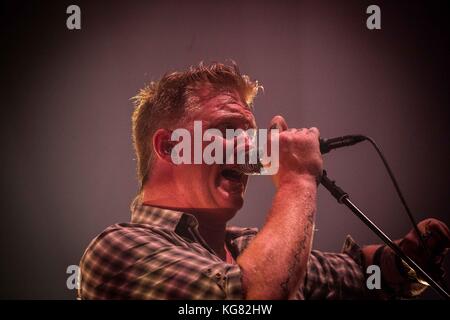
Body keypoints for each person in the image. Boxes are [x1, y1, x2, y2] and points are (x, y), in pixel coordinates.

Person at [78, 62, 449, 299]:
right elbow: (256, 300)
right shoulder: (118, 250)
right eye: (227, 130)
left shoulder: (248, 246)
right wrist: (297, 180)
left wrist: (403, 260)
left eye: (250, 134)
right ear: (169, 146)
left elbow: (360, 275)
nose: (251, 150)